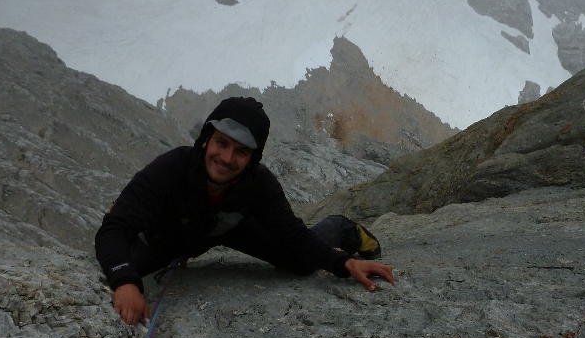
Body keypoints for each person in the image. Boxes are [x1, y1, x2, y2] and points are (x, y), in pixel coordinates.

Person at [95, 96, 394, 325]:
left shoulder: (258, 185)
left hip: (230, 228)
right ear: (205, 140)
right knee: (124, 267)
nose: (227, 158)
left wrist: (345, 263)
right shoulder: (170, 169)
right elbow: (115, 228)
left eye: (241, 151)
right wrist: (126, 282)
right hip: (167, 239)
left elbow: (295, 237)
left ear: (253, 158)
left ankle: (341, 227)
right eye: (222, 143)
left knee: (301, 263)